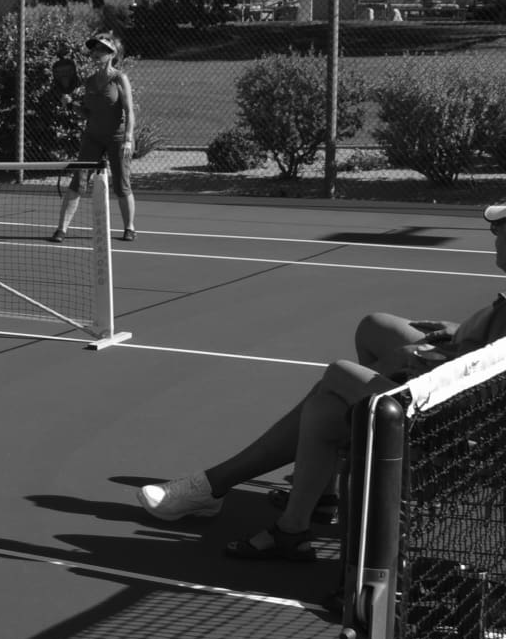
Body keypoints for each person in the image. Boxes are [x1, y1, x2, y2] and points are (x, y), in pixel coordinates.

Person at [136, 201, 506, 558]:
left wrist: (424, 361)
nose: (493, 234)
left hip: (456, 422)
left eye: (499, 228)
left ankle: (232, 494)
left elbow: (486, 381)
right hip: (461, 380)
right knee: (374, 327)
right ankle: (323, 489)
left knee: (334, 389)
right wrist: (457, 334)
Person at [52, 33, 137, 242]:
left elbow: (129, 111)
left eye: (101, 49)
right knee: (78, 181)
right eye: (94, 49)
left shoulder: (119, 78)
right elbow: (89, 113)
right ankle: (61, 229)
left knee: (121, 184)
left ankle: (129, 227)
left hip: (117, 137)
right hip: (93, 137)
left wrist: (128, 138)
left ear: (111, 54)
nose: (95, 53)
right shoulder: (89, 82)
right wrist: (71, 104)